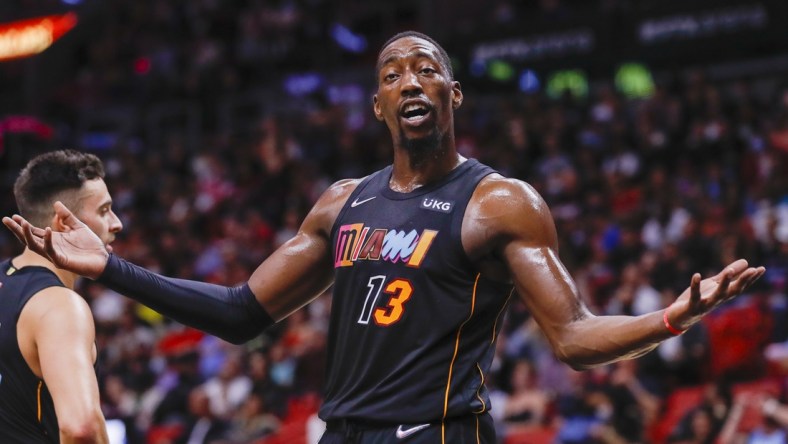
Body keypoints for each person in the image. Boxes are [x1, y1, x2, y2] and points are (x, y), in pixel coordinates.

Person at [4, 31, 766, 444]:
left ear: (452, 94)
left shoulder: (498, 203)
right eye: (394, 73)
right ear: (376, 104)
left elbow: (572, 336)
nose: (410, 80)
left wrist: (670, 319)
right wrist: (112, 268)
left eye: (426, 70)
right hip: (344, 432)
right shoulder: (343, 204)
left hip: (436, 432)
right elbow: (240, 313)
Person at [0, 150, 122, 443]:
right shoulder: (59, 306)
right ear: (63, 222)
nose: (116, 223)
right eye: (104, 210)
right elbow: (82, 429)